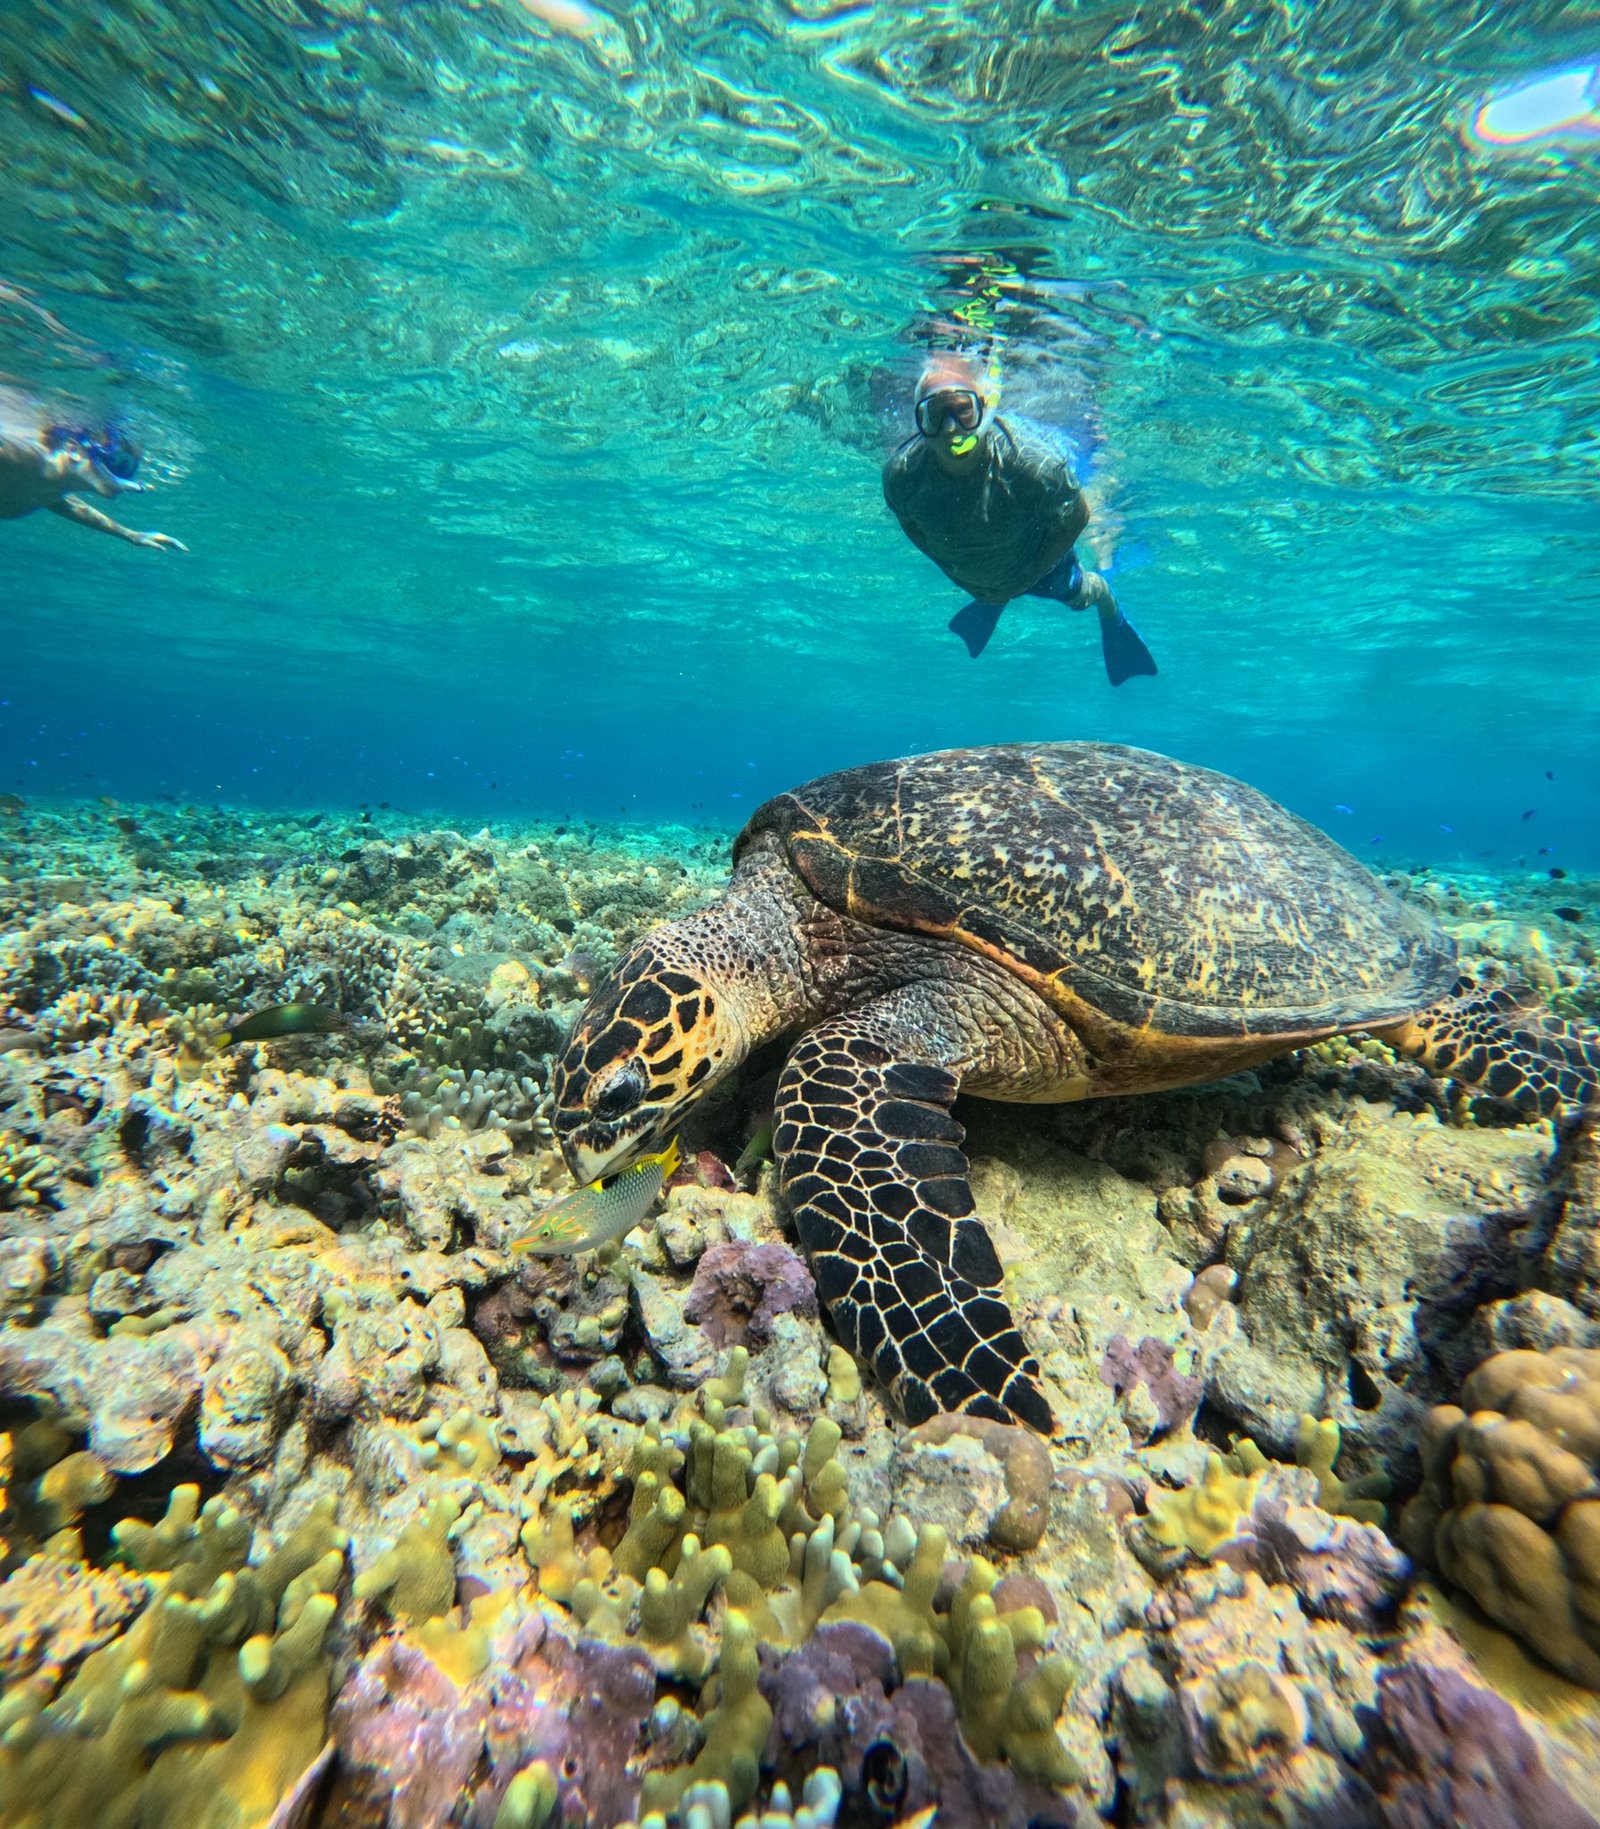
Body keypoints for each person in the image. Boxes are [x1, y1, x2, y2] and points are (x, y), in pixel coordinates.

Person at [882, 354, 1155, 686]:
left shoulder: (1033, 465)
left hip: (1040, 562)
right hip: (983, 574)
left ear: (985, 408)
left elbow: (1077, 517)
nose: (951, 428)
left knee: (1079, 597)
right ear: (920, 420)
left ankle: (1108, 602)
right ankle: (994, 598)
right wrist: (960, 575)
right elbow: (909, 521)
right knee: (995, 590)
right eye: (935, 415)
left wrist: (1020, 580)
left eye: (962, 410)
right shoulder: (902, 474)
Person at [0, 387, 186, 552]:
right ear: (73, 450)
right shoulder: (24, 457)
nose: (117, 476)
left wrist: (132, 535)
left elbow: (72, 506)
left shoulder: (54, 487)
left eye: (123, 469)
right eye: (108, 461)